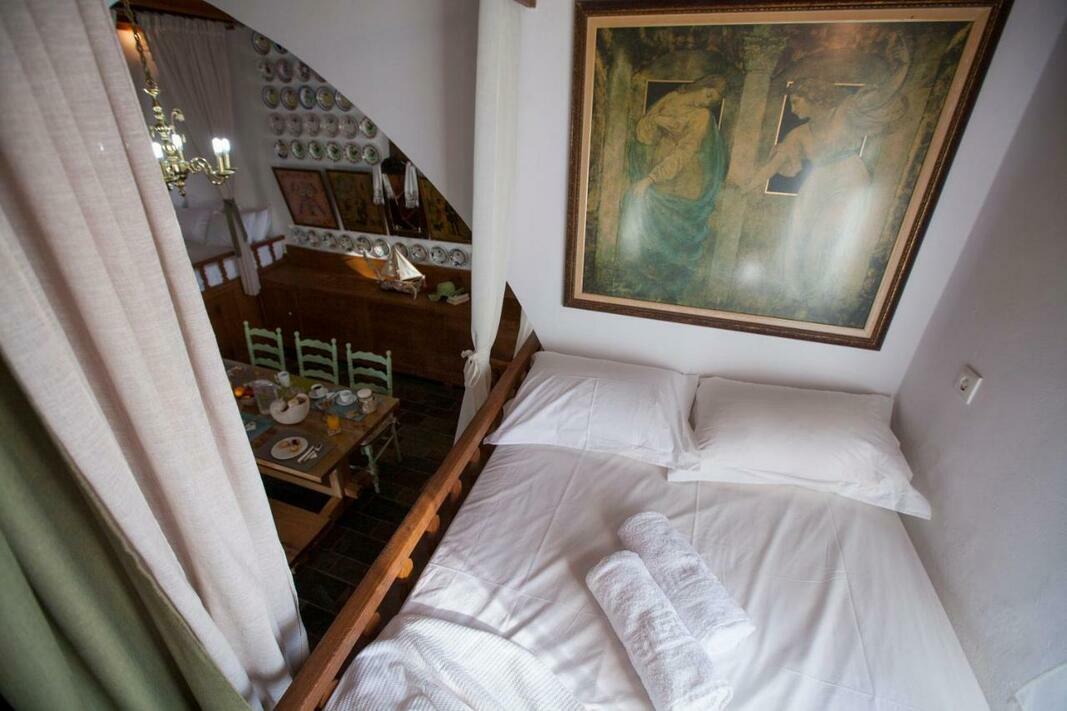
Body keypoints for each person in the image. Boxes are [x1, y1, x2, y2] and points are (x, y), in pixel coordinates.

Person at [744, 35, 910, 317]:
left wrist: (903, 67)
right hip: (818, 179)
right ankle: (797, 295)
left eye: (797, 102)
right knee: (797, 234)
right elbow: (774, 165)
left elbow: (883, 95)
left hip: (849, 176)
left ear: (813, 97)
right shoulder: (799, 133)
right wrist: (748, 186)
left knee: (825, 236)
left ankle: (818, 298)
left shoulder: (845, 112)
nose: (794, 109)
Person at [616, 75, 728, 302]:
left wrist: (651, 178)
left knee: (674, 235)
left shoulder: (703, 116)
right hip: (659, 175)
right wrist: (656, 120)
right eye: (708, 95)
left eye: (712, 101)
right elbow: (643, 134)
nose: (707, 102)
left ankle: (669, 294)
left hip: (684, 182)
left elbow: (685, 151)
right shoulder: (671, 98)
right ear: (701, 86)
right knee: (651, 228)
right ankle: (646, 289)